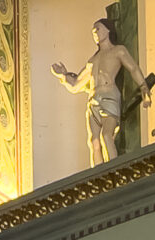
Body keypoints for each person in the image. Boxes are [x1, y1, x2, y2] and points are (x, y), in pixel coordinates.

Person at [50, 13, 149, 167]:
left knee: (106, 135)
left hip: (109, 96)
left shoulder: (118, 51)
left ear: (108, 30)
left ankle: (114, 170)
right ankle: (97, 174)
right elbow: (76, 84)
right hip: (93, 100)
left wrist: (143, 86)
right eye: (93, 31)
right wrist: (62, 75)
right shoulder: (93, 60)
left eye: (97, 29)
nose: (95, 32)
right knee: (93, 140)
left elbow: (133, 68)